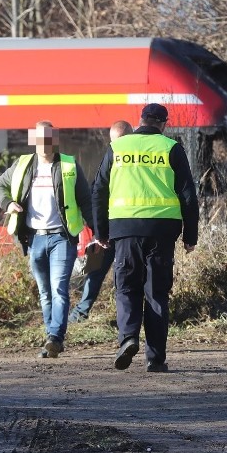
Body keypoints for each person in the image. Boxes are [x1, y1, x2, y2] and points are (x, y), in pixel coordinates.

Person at [92, 103, 199, 373]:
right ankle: (155, 358)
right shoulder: (170, 147)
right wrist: (190, 235)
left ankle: (128, 338)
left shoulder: (118, 148)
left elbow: (99, 190)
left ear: (139, 120)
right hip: (162, 230)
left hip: (124, 229)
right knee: (157, 293)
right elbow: (188, 194)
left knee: (127, 287)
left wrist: (100, 231)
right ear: (164, 123)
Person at [0, 120, 93, 359]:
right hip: (34, 239)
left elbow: (85, 200)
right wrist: (8, 203)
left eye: (48, 138)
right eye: (40, 139)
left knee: (59, 289)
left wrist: (97, 231)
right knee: (45, 292)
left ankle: (55, 337)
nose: (45, 144)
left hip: (62, 238)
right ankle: (51, 338)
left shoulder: (68, 165)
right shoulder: (23, 164)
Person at [68, 120, 133, 324]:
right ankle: (81, 311)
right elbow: (97, 192)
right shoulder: (113, 156)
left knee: (121, 274)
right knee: (95, 271)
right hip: (111, 228)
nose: (116, 146)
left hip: (121, 229)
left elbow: (97, 191)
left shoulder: (123, 159)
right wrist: (98, 230)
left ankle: (125, 315)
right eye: (114, 142)